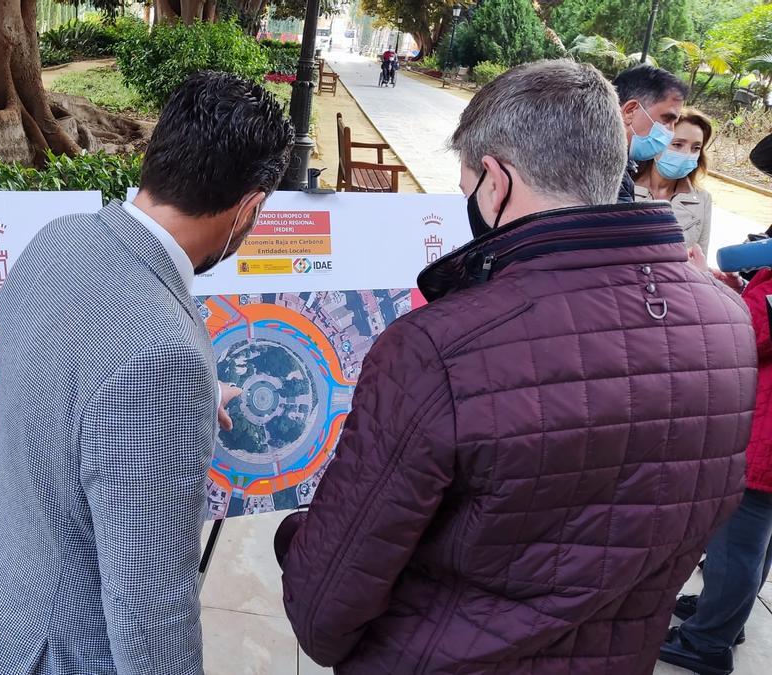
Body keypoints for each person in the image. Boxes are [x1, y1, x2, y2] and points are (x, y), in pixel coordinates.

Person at [274, 59, 755, 673]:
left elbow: (327, 606)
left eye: (468, 183)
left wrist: (296, 538)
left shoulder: (440, 346)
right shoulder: (724, 318)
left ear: (495, 182)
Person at [0, 71, 291, 675]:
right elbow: (150, 604)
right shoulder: (160, 360)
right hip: (65, 649)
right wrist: (179, 394)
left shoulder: (59, 240)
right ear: (249, 208)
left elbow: (76, 385)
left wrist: (195, 397)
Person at [658, 155, 772, 675]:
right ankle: (725, 615)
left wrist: (702, 284)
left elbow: (754, 328)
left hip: (764, 440)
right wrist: (727, 284)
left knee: (735, 545)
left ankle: (707, 642)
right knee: (756, 543)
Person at [634, 109, 714, 253]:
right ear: (656, 143)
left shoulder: (702, 200)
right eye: (677, 144)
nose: (686, 154)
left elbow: (699, 262)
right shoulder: (623, 188)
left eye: (696, 148)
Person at [614, 64, 688, 203]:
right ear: (630, 111)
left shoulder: (619, 166)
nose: (671, 132)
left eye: (674, 123)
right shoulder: (598, 169)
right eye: (666, 120)